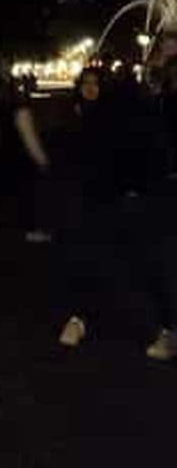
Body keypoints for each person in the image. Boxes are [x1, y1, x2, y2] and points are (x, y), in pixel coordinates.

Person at [56, 67, 177, 359]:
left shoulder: (116, 115)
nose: (90, 88)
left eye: (96, 83)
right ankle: (80, 318)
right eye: (85, 83)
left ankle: (164, 330)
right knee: (93, 260)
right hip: (98, 199)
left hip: (119, 198)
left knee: (141, 264)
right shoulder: (79, 116)